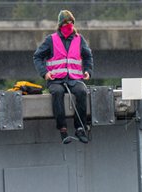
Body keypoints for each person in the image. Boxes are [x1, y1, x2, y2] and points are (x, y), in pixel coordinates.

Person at [33, 10, 94, 144]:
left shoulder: (79, 39)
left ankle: (80, 128)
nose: (69, 25)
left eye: (71, 22)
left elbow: (88, 56)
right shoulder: (51, 40)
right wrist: (45, 73)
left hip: (74, 79)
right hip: (56, 80)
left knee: (82, 92)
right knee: (57, 93)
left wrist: (88, 70)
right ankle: (63, 129)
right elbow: (37, 57)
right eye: (66, 23)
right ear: (61, 24)